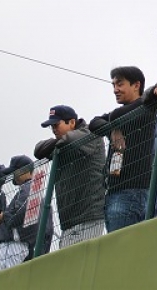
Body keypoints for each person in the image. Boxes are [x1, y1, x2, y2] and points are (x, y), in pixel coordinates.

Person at [89, 67, 156, 232]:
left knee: (122, 244)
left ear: (136, 85)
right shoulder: (121, 114)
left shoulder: (147, 107)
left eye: (120, 84)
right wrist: (113, 130)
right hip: (120, 191)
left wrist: (113, 122)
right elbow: (94, 123)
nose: (115, 90)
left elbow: (116, 115)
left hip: (132, 191)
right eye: (113, 85)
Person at [34, 105, 106, 248]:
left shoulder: (90, 133)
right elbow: (38, 149)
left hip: (89, 216)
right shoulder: (62, 143)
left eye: (56, 125)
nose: (54, 129)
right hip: (69, 222)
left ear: (72, 122)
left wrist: (60, 142)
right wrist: (59, 142)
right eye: (51, 127)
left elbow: (72, 138)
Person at [0, 155, 51, 269]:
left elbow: (19, 213)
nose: (13, 175)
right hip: (20, 243)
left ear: (25, 171)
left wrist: (3, 217)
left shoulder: (28, 188)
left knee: (6, 275)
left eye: (15, 171)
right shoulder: (34, 190)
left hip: (14, 242)